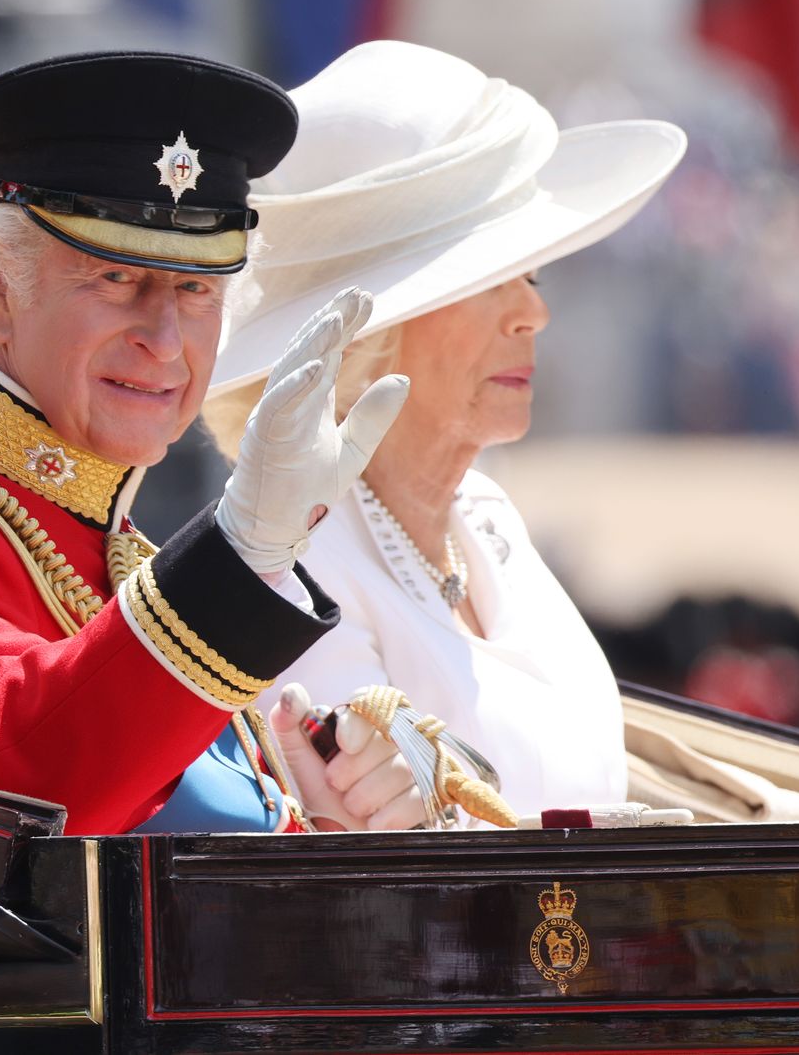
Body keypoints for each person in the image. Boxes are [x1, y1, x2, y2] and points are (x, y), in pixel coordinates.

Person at [0, 50, 422, 836]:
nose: (167, 341)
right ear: (0, 285)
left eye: (197, 289)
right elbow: (8, 790)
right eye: (117, 279)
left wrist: (315, 818)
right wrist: (241, 558)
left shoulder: (112, 542)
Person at [204, 41, 687, 819]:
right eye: (489, 278)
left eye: (530, 274)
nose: (535, 313)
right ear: (372, 330)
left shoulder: (487, 517)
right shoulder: (295, 566)